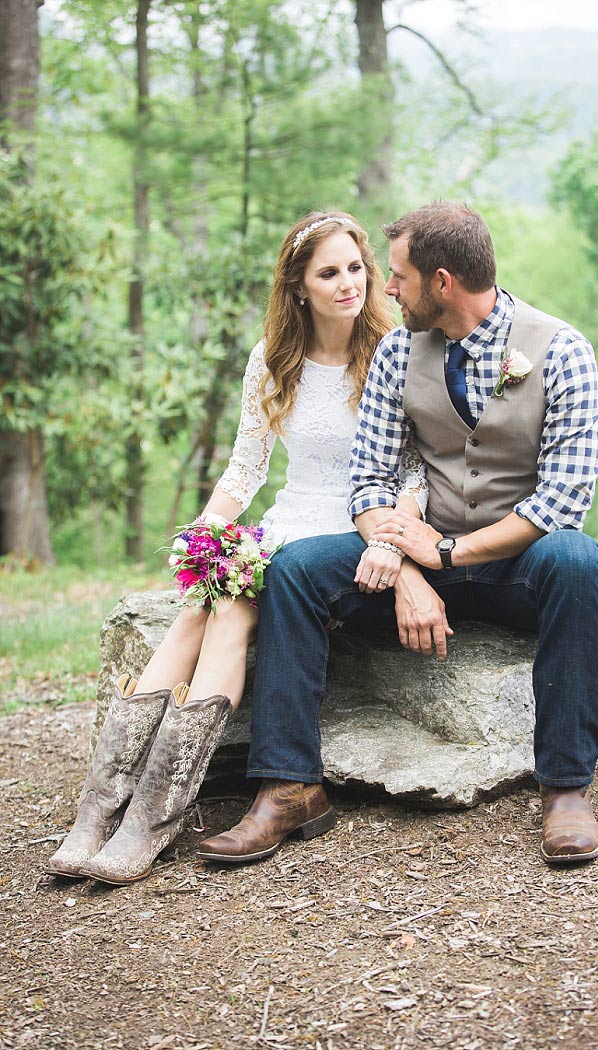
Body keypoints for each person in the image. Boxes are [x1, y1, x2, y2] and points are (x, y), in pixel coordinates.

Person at [197, 200, 598, 869]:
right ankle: (289, 786)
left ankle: (565, 789)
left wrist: (449, 552)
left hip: (517, 565)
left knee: (577, 558)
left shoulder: (561, 351)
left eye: (398, 276)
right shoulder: (397, 351)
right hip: (424, 553)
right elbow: (369, 480)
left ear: (442, 282)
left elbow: (562, 502)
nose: (384, 290)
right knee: (297, 568)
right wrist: (410, 570)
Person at [47, 211, 428, 885]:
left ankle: (143, 823)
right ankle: (101, 814)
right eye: (329, 272)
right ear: (299, 287)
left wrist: (395, 545)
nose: (348, 283)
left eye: (356, 268)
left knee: (227, 606)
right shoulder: (271, 360)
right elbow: (246, 469)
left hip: (350, 536)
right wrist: (200, 534)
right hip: (288, 522)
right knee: (206, 603)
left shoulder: (394, 351)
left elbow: (416, 473)